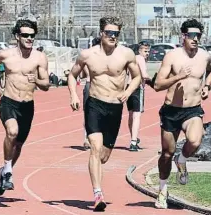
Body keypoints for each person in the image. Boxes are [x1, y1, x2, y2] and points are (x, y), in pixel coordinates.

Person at [0, 17, 51, 196]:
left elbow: (46, 85)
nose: (29, 38)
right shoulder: (5, 55)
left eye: (32, 36)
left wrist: (36, 79)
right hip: (8, 102)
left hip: (27, 106)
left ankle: (4, 172)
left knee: (18, 145)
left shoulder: (40, 58)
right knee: (11, 132)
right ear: (17, 36)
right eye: (25, 35)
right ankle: (7, 170)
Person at [67, 16, 142, 212]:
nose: (112, 36)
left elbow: (137, 77)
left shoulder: (126, 54)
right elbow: (72, 74)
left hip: (115, 107)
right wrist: (74, 94)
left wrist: (128, 90)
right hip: (94, 105)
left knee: (104, 156)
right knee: (95, 149)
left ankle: (96, 174)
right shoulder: (87, 55)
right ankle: (98, 193)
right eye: (109, 32)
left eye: (116, 33)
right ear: (101, 33)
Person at [153, 19, 211, 209]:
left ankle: (182, 160)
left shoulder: (204, 57)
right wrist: (178, 76)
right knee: (166, 153)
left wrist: (207, 86)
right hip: (171, 111)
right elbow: (157, 85)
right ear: (183, 36)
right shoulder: (172, 56)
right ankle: (163, 190)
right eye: (191, 35)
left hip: (193, 110)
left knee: (195, 140)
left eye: (198, 36)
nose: (195, 39)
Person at [125, 41, 151, 151]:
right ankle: (133, 142)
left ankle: (133, 138)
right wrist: (154, 81)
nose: (147, 54)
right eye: (145, 51)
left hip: (127, 87)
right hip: (137, 88)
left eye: (148, 51)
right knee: (136, 115)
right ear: (139, 50)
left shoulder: (129, 59)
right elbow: (144, 75)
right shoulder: (140, 59)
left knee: (131, 115)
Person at [79, 37, 101, 150]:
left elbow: (81, 75)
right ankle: (94, 138)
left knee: (88, 113)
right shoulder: (102, 57)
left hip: (88, 84)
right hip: (99, 86)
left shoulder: (86, 56)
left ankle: (87, 138)